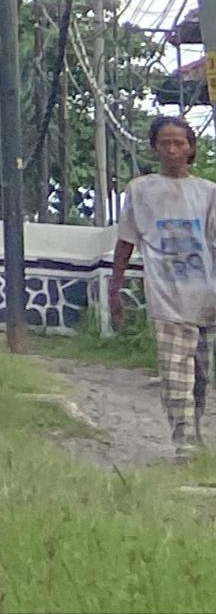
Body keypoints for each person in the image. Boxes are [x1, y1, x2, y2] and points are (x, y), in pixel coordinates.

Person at [111, 115, 216, 454]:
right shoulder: (140, 191)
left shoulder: (208, 193)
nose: (172, 150)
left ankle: (194, 428)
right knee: (175, 375)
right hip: (166, 296)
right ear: (155, 147)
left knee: (199, 375)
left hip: (205, 296)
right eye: (165, 143)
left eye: (179, 143)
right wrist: (115, 288)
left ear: (191, 148)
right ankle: (184, 442)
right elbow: (126, 241)